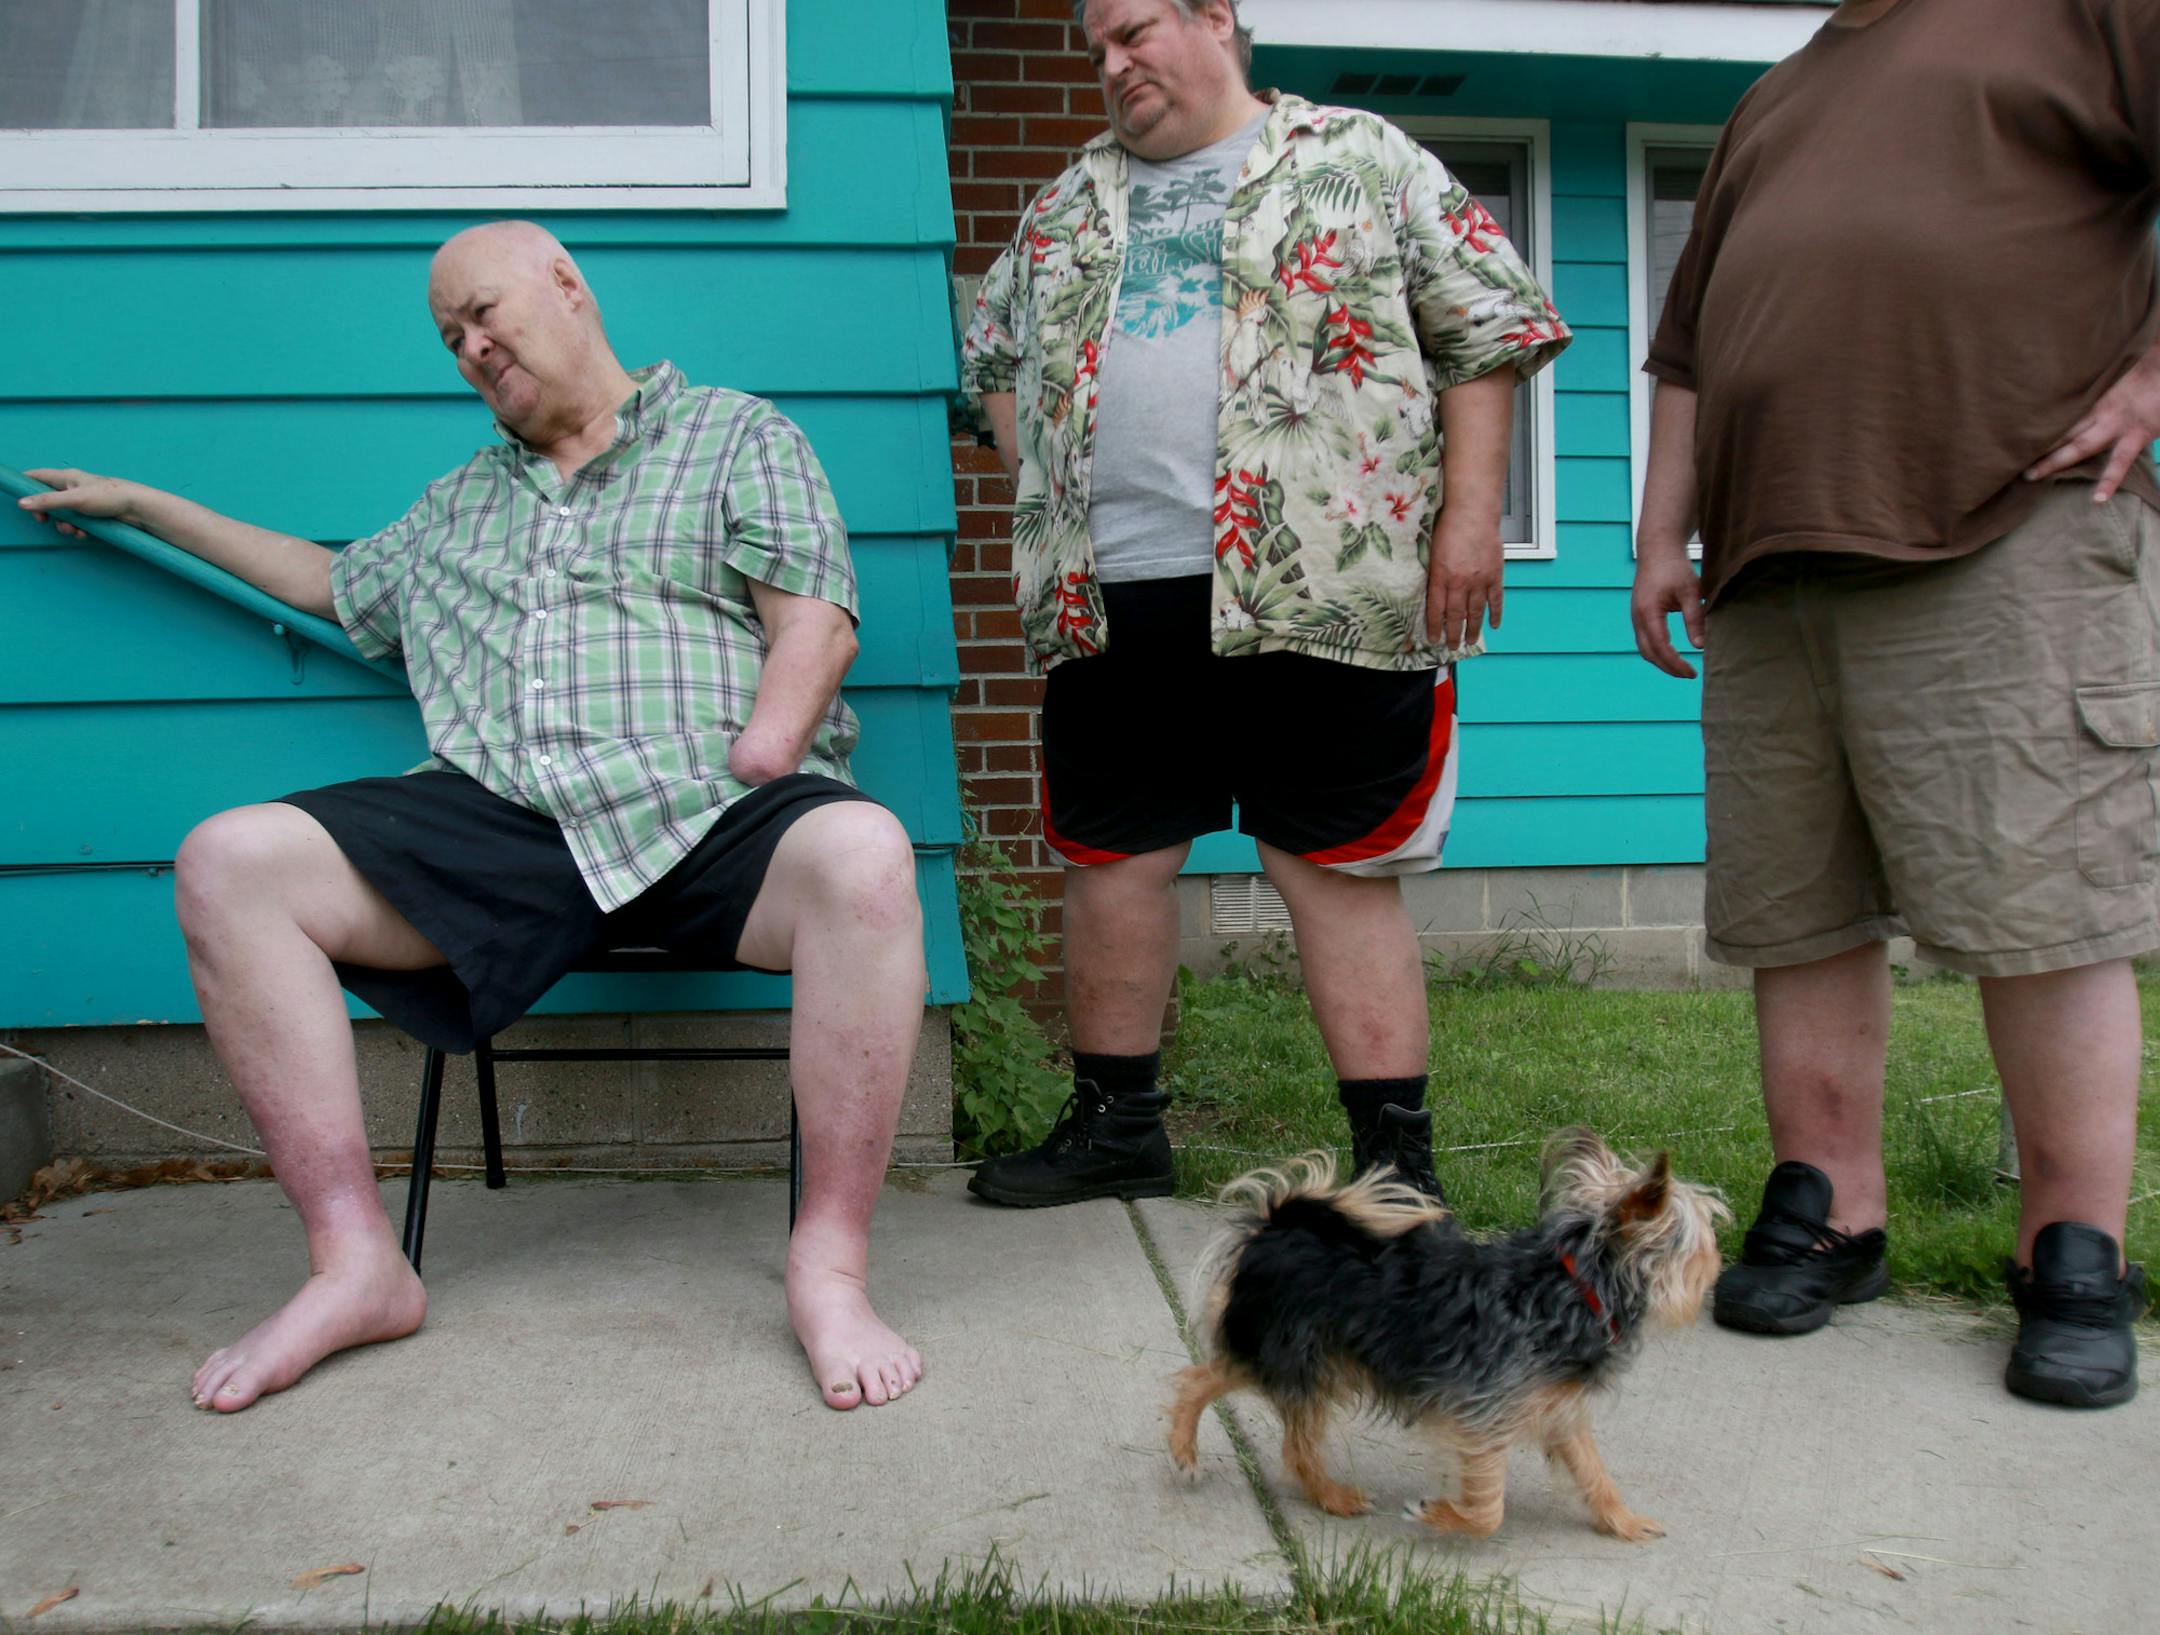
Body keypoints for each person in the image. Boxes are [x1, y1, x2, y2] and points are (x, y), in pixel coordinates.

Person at [17, 222, 927, 1414]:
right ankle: (355, 1266)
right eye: (451, 337)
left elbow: (813, 617)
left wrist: (769, 741)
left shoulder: (735, 435)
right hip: (504, 817)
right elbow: (320, 579)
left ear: (567, 286)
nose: (472, 347)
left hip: (715, 800)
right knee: (230, 860)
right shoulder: (454, 507)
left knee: (865, 854)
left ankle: (831, 1269)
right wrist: (145, 507)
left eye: (484, 313)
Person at [958, 0, 1569, 1208]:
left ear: (1216, 16)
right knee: (1113, 854)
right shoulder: (1065, 203)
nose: (1112, 64)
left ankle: (1396, 1169)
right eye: (1096, 50)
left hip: (1324, 580)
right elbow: (996, 365)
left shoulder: (1360, 156)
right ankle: (1118, 1130)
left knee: (1336, 864)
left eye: (1133, 31)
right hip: (1112, 592)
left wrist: (1469, 518)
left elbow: (1487, 332)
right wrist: (1049, 496)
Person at [1631, 0, 2155, 1406]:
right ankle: (1831, 1211)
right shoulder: (1776, 97)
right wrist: (1660, 534)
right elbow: (1687, 352)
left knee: (2039, 905)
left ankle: (2074, 1251)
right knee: (1793, 908)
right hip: (1767, 556)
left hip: (2005, 520)